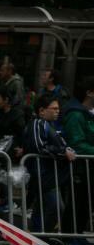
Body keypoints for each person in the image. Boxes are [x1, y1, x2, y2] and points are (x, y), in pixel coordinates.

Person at [23, 94, 76, 234]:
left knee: (42, 208)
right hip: (43, 175)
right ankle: (39, 237)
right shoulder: (38, 123)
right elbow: (39, 147)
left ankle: (35, 237)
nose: (57, 111)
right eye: (54, 108)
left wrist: (65, 149)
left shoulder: (49, 125)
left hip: (49, 175)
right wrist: (63, 151)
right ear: (42, 111)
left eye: (58, 109)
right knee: (56, 207)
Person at [60, 76, 94, 245]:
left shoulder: (86, 112)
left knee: (84, 203)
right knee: (76, 202)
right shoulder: (75, 113)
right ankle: (69, 238)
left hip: (88, 167)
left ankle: (78, 235)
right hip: (78, 167)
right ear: (89, 92)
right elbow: (77, 142)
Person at [0, 88, 25, 213]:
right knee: (0, 174)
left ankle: (6, 201)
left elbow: (22, 132)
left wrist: (22, 148)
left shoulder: (17, 114)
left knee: (3, 174)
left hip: (11, 150)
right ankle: (3, 200)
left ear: (6, 100)